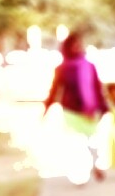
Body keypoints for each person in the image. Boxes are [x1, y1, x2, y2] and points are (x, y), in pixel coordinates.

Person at [42, 31, 107, 185]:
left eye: (79, 44)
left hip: (91, 112)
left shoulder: (90, 66)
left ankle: (95, 165)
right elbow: (55, 90)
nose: (78, 47)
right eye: (74, 45)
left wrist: (103, 107)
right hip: (71, 112)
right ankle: (81, 175)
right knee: (77, 145)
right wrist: (46, 107)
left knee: (93, 142)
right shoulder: (62, 69)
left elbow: (97, 88)